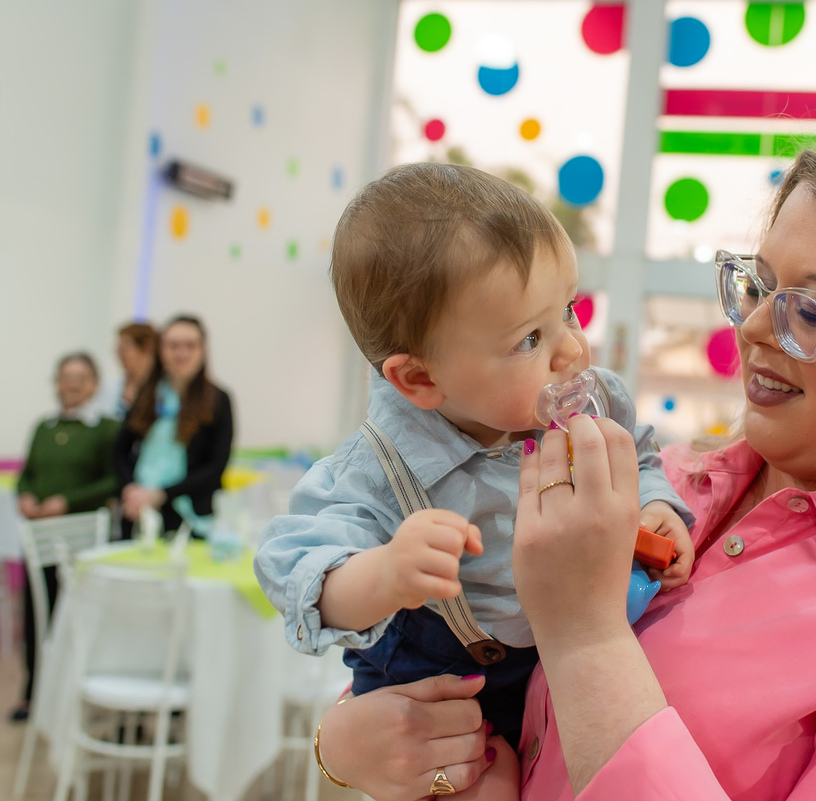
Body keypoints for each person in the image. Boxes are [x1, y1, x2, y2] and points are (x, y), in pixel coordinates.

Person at [311, 128, 816, 801]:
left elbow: (577, 650)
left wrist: (588, 638)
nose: (759, 328)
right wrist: (352, 740)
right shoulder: (674, 483)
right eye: (760, 285)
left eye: (815, 308)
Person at [254, 164, 693, 786]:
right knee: (483, 781)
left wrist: (655, 506)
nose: (571, 350)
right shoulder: (379, 470)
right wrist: (383, 573)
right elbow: (296, 566)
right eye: (528, 340)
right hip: (438, 684)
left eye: (568, 311)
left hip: (548, 660)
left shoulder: (589, 403)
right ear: (421, 380)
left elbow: (642, 456)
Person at [13, 352, 120, 720]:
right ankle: (32, 693)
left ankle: (71, 696)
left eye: (80, 377)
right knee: (35, 614)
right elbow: (27, 473)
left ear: (94, 384)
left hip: (81, 540)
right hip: (39, 536)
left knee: (72, 615)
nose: (72, 383)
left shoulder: (106, 429)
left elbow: (113, 480)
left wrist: (67, 501)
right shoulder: (43, 427)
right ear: (56, 382)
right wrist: (25, 495)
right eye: (65, 376)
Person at [115, 314, 234, 538]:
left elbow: (216, 466)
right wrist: (131, 489)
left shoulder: (218, 400)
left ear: (203, 350)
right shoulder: (147, 394)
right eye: (173, 345)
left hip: (188, 518)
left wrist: (160, 494)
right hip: (137, 512)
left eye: (190, 345)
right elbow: (120, 451)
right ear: (161, 349)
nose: (182, 353)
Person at [97, 321, 158, 419]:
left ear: (147, 347)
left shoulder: (165, 389)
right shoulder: (109, 389)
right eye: (118, 348)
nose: (119, 353)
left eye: (125, 348)